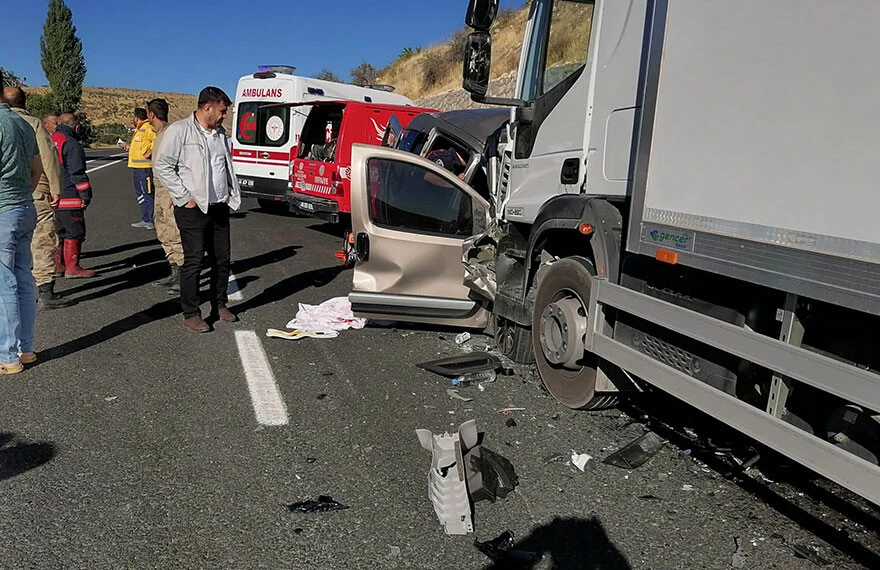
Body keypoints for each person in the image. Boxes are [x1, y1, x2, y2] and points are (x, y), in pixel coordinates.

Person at [154, 87, 241, 333]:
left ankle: (219, 305)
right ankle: (191, 313)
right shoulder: (180, 131)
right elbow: (162, 165)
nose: (225, 116)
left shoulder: (220, 134)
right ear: (207, 107)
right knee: (193, 261)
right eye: (223, 111)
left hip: (219, 206)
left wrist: (231, 195)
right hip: (193, 208)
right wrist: (183, 196)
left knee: (222, 260)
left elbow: (225, 167)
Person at [3, 87, 71, 310]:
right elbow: (46, 157)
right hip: (35, 190)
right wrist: (55, 188)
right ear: (25, 102)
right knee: (42, 241)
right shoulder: (31, 123)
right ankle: (45, 290)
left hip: (8, 196)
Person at [0, 76, 41, 373]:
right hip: (25, 206)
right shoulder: (23, 124)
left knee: (4, 284)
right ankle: (25, 348)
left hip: (3, 211)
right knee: (23, 278)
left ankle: (7, 355)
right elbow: (37, 168)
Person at [52, 113, 96, 278]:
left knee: (58, 231)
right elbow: (77, 172)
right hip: (69, 195)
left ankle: (58, 266)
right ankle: (72, 268)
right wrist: (85, 194)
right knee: (75, 231)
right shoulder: (72, 144)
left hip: (52, 196)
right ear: (76, 128)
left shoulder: (49, 140)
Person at [146, 98, 182, 294]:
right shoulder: (159, 134)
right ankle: (174, 269)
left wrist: (175, 192)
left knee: (173, 230)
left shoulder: (170, 134)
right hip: (159, 187)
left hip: (168, 188)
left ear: (152, 114)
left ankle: (183, 275)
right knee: (163, 230)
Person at [124, 107, 155, 229]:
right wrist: (129, 147)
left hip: (145, 168)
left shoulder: (148, 128)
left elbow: (156, 140)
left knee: (147, 193)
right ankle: (145, 218)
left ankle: (151, 219)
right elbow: (140, 145)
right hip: (137, 167)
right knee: (141, 193)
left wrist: (151, 151)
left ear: (137, 118)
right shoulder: (139, 130)